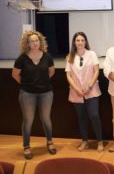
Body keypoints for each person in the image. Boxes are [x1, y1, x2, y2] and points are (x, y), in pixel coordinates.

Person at [11, 31, 57, 160]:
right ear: (27, 43)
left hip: (46, 93)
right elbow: (15, 75)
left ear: (40, 42)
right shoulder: (22, 58)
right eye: (32, 41)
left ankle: (50, 142)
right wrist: (28, 84)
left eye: (37, 40)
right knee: (28, 121)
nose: (35, 43)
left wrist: (41, 82)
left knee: (46, 119)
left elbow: (51, 72)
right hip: (27, 94)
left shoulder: (47, 56)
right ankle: (26, 147)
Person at [65, 32, 104, 152]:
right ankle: (84, 141)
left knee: (94, 115)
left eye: (82, 40)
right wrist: (76, 89)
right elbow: (68, 75)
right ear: (74, 42)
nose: (80, 42)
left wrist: (90, 86)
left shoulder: (91, 54)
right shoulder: (70, 56)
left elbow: (96, 71)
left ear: (85, 42)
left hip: (91, 91)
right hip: (76, 93)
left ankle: (100, 141)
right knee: (81, 118)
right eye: (78, 40)